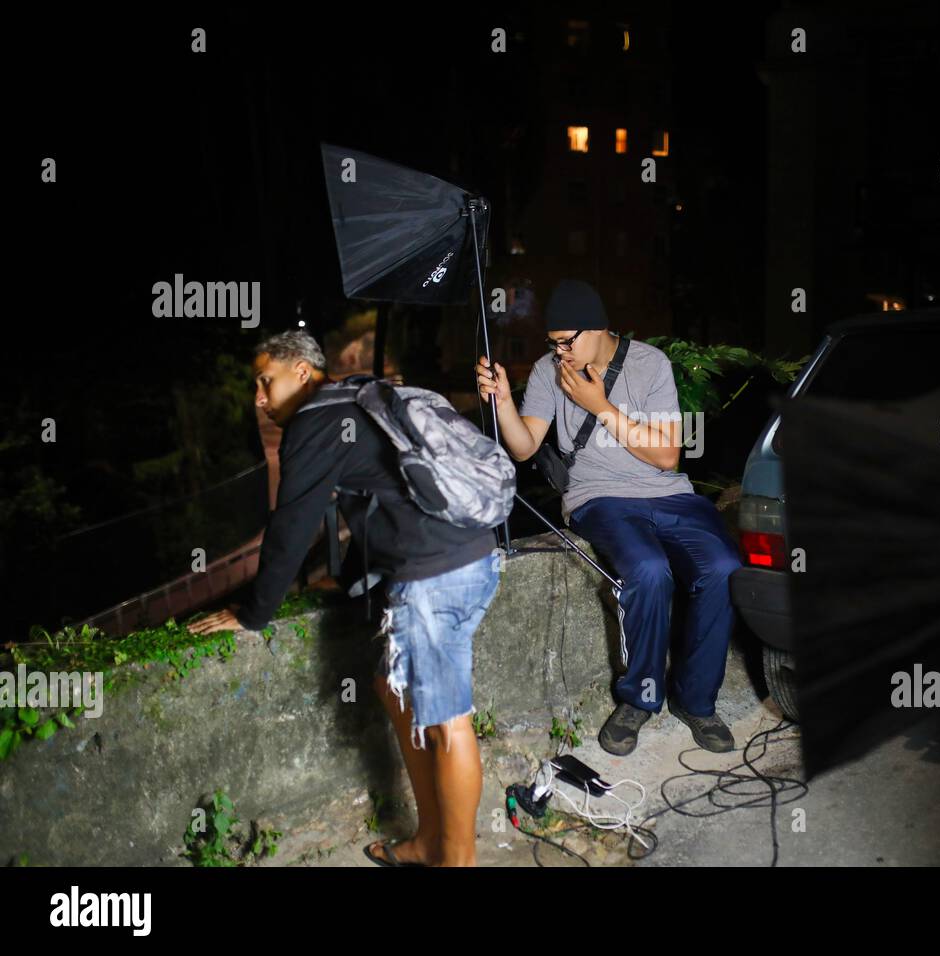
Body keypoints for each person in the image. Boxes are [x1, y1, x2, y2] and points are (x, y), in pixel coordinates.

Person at [189, 330, 500, 864]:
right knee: (390, 688)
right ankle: (429, 842)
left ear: (302, 373)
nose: (259, 399)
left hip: (434, 575)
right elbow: (383, 494)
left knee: (448, 723)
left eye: (266, 382)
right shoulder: (359, 394)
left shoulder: (314, 421)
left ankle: (458, 860)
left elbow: (289, 528)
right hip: (473, 552)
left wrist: (254, 614)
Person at [476, 279, 742, 755]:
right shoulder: (546, 372)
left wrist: (598, 407)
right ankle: (639, 697)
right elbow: (523, 446)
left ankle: (697, 701)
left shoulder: (649, 365)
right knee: (647, 569)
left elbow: (667, 457)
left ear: (597, 329)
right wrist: (501, 400)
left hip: (669, 494)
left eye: (566, 342)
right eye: (552, 343)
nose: (560, 354)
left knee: (722, 567)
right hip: (599, 497)